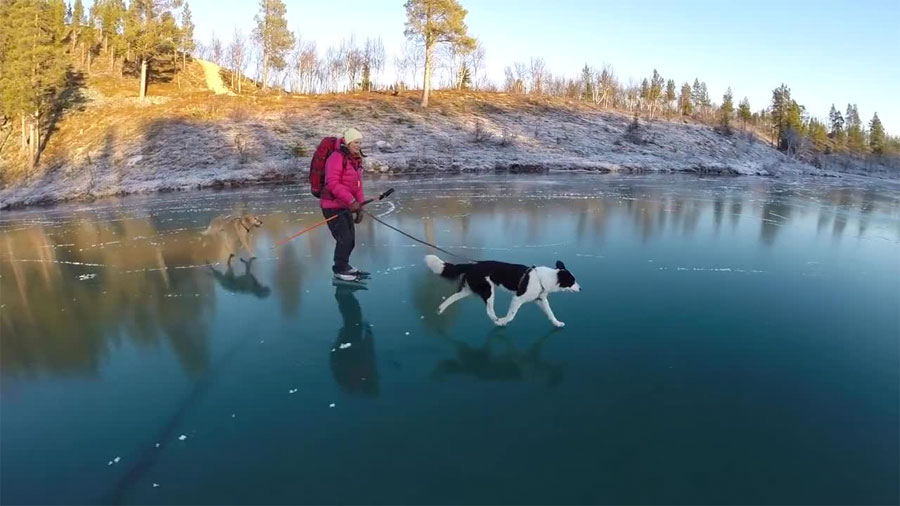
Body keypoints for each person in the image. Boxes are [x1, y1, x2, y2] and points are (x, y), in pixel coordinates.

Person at [321, 127, 367, 280]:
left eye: (359, 142)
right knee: (344, 239)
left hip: (345, 205)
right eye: (355, 142)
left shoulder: (355, 159)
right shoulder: (336, 157)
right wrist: (351, 201)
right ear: (347, 142)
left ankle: (344, 265)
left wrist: (359, 206)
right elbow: (332, 183)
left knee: (350, 240)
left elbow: (358, 185)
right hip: (332, 206)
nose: (358, 145)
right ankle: (339, 270)